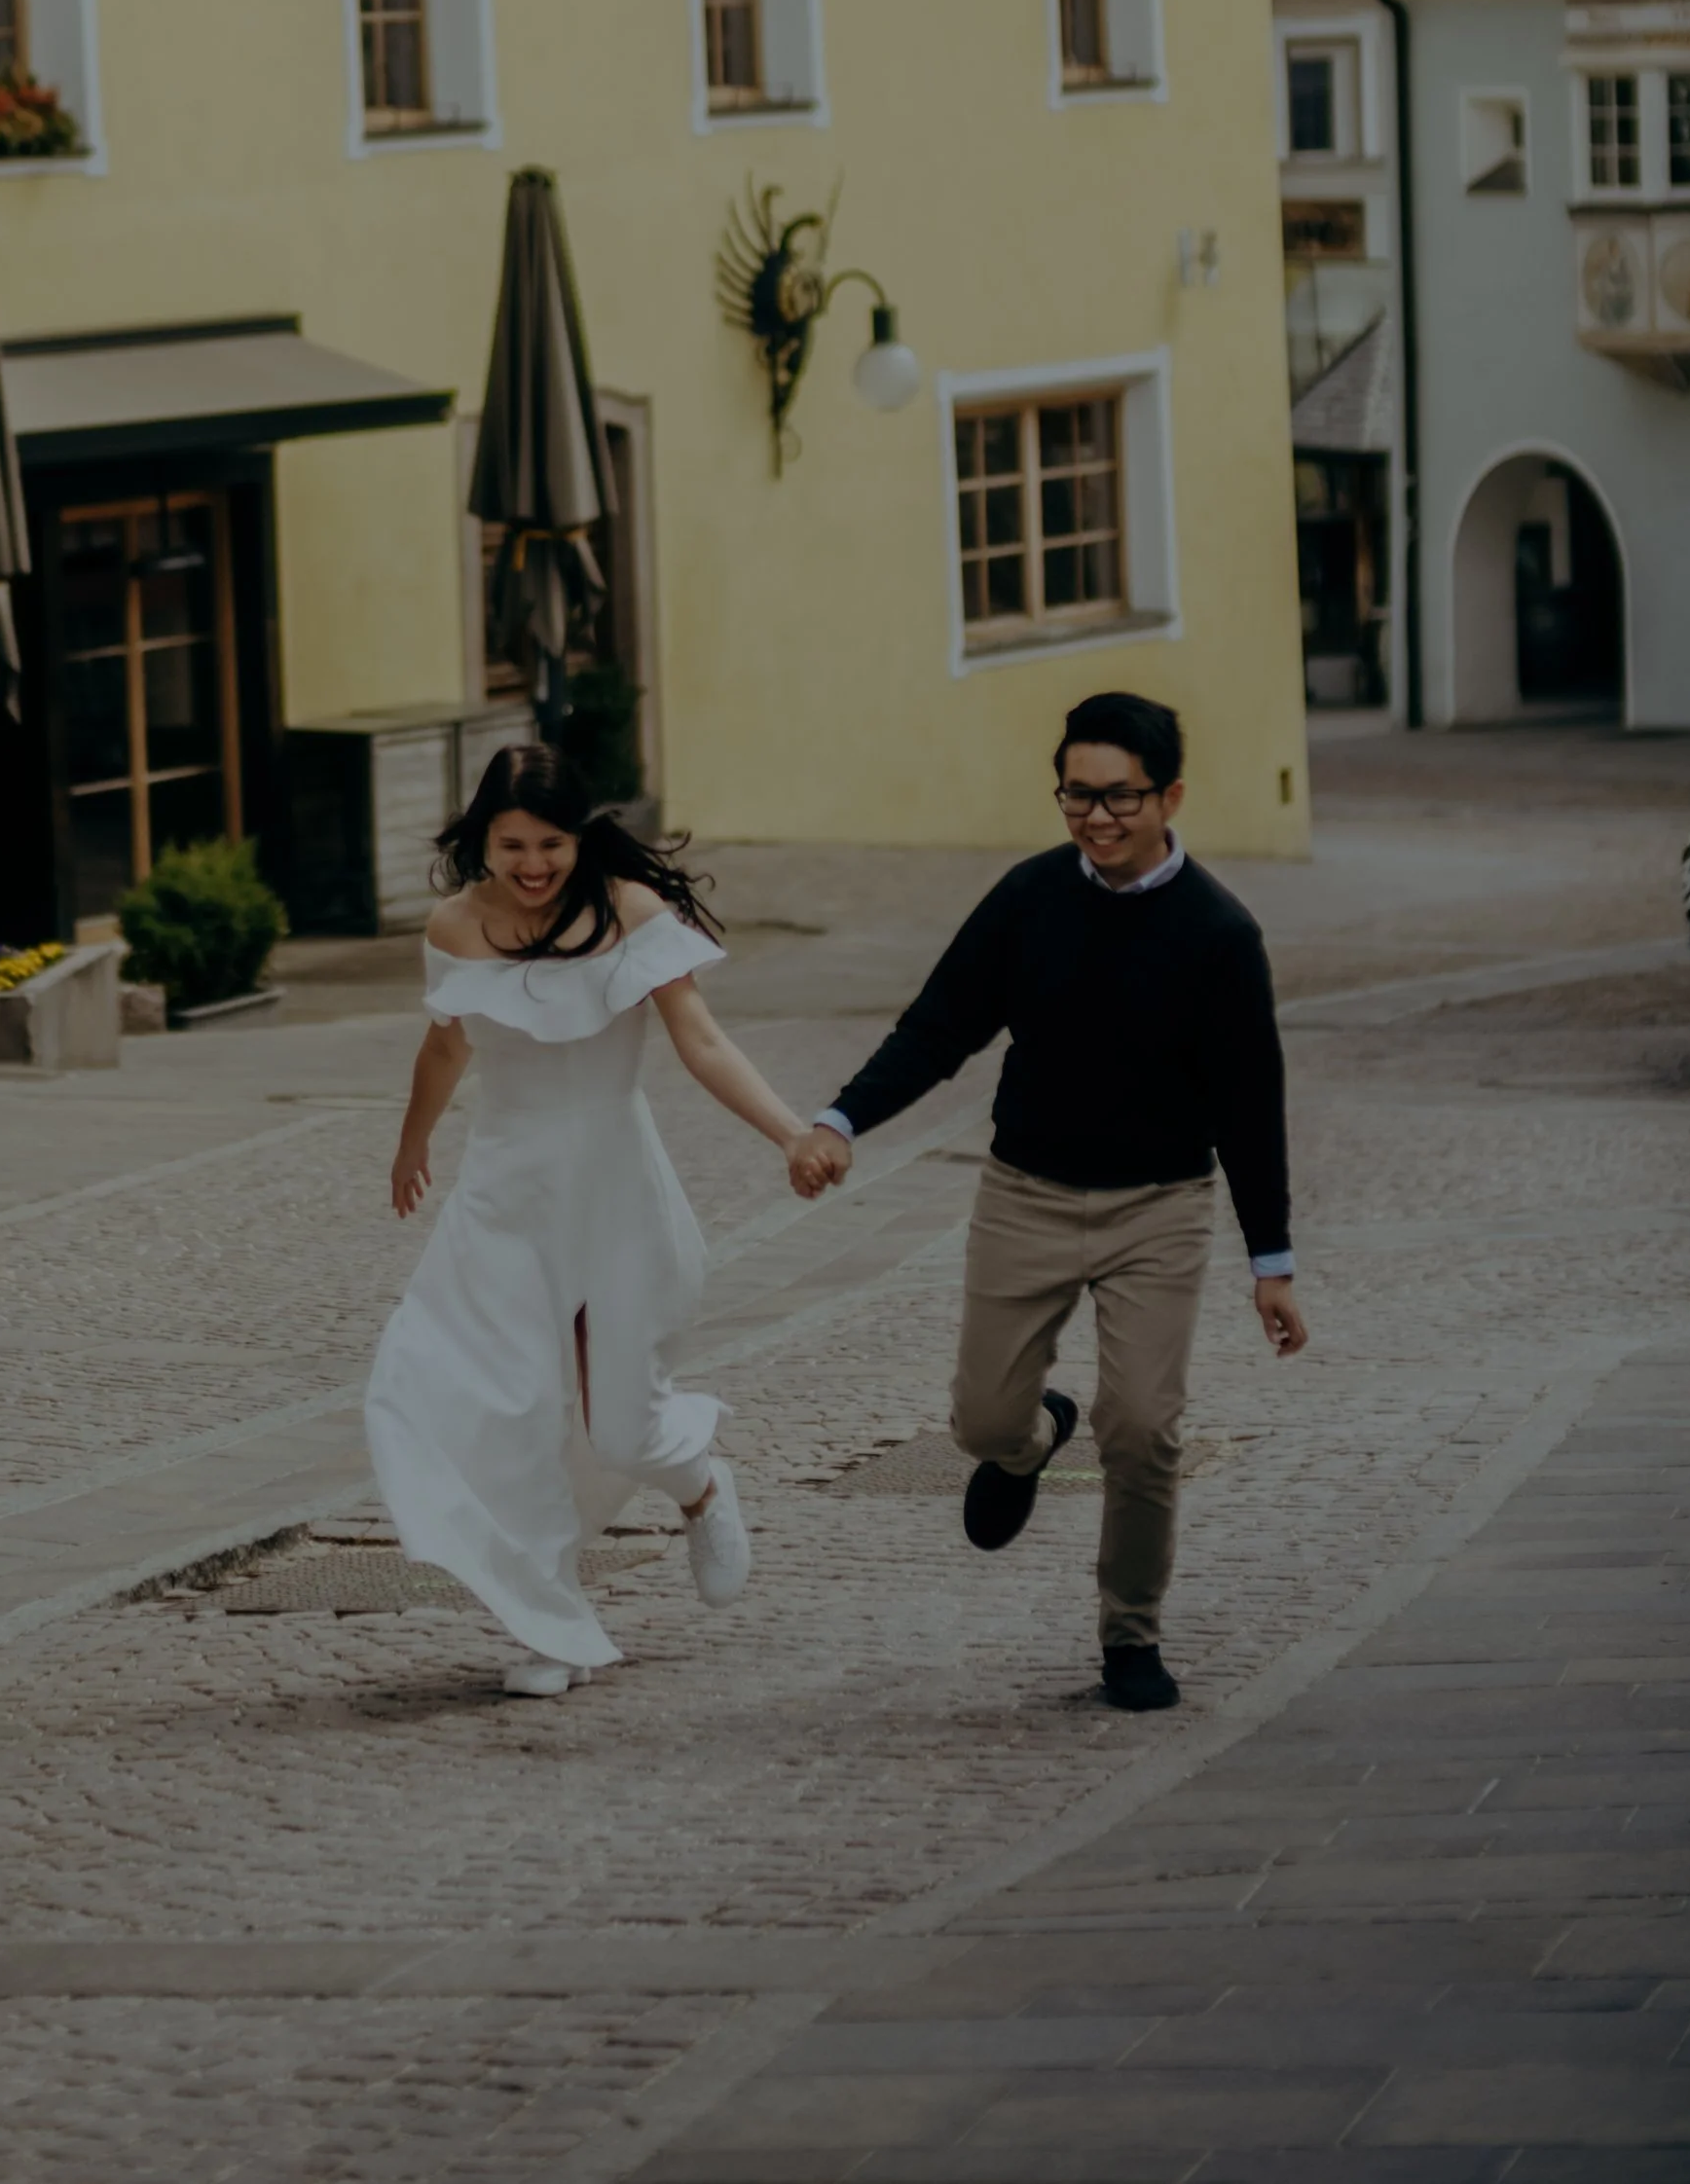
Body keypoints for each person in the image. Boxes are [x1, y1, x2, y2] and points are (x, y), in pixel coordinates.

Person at [791, 692, 1306, 1713]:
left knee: (1145, 1428)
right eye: (1076, 794)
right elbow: (939, 1027)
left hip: (1158, 1208)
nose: (1096, 817)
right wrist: (840, 1120)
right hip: (1024, 1194)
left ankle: (1130, 1634)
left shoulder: (1218, 934)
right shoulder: (1029, 898)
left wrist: (1272, 1265)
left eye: (1119, 797)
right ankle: (1033, 1439)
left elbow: (1250, 1105)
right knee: (984, 1421)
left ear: (1169, 797)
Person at [368, 744, 826, 1696]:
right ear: (481, 841)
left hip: (616, 1190)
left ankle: (700, 1484)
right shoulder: (454, 925)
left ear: (580, 837)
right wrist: (412, 1145)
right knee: (498, 1407)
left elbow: (702, 1041)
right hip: (504, 1198)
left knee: (621, 1430)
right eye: (512, 846)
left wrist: (791, 1133)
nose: (533, 865)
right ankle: (552, 1628)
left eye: (551, 844)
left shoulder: (630, 912)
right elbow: (444, 1048)